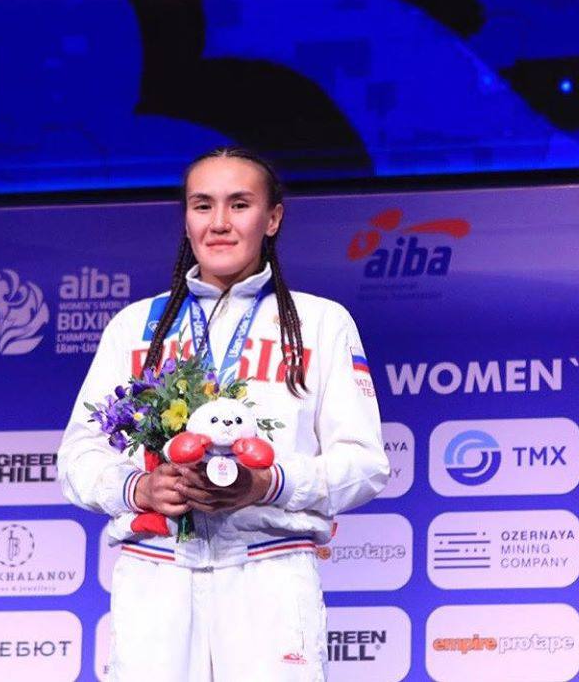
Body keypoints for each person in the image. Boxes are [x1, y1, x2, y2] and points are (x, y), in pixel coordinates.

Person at [58, 146, 388, 681]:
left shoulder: (320, 323)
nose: (218, 223)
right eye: (202, 205)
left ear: (272, 218)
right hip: (157, 576)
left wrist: (270, 483)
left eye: (239, 204)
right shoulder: (134, 327)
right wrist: (139, 489)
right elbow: (78, 455)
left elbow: (365, 464)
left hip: (269, 571)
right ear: (186, 219)